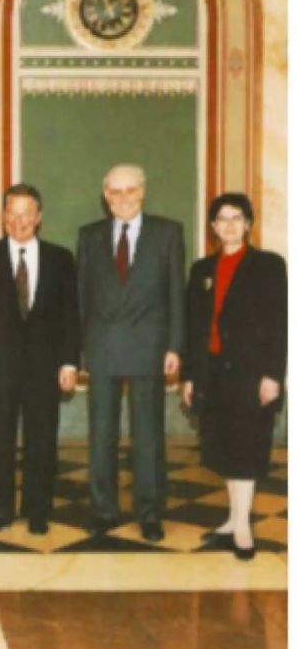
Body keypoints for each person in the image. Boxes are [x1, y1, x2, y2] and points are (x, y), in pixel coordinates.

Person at [0, 184, 79, 535]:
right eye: (13, 212)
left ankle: (38, 510)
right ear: (4, 216)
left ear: (39, 217)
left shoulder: (61, 258)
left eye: (27, 213)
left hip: (45, 369)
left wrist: (70, 363)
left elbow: (71, 314)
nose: (20, 220)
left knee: (43, 441)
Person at [77, 163, 184, 542]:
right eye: (115, 192)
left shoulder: (168, 232)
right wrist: (79, 351)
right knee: (101, 433)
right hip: (102, 346)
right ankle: (104, 510)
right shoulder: (89, 236)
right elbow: (81, 296)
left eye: (130, 190)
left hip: (150, 346)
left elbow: (175, 294)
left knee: (148, 435)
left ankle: (150, 513)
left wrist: (174, 345)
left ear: (143, 191)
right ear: (106, 197)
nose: (123, 198)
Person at [181, 193, 286, 561]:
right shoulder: (201, 270)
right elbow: (194, 328)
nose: (229, 225)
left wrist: (273, 374)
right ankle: (232, 517)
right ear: (212, 227)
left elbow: (278, 324)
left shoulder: (269, 266)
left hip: (250, 374)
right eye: (221, 219)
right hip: (211, 373)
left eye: (236, 218)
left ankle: (242, 525)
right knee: (223, 448)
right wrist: (190, 377)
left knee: (247, 448)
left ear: (249, 223)